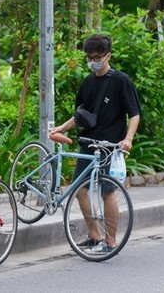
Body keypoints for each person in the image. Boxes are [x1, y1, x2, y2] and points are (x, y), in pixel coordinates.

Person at [51, 33, 140, 254]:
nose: (93, 61)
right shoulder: (88, 82)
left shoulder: (121, 80)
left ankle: (110, 242)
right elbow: (81, 114)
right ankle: (94, 235)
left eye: (97, 56)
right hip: (88, 144)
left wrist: (127, 139)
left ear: (108, 55)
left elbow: (135, 114)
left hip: (110, 146)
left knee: (107, 192)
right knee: (79, 190)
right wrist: (62, 127)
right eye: (89, 57)